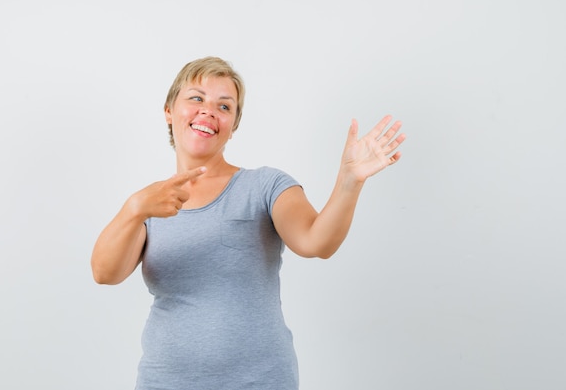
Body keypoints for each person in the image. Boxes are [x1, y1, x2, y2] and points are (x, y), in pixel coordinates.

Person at [91, 56, 405, 389]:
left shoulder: (265, 186)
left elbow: (316, 242)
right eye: (196, 98)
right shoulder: (151, 202)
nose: (208, 111)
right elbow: (105, 273)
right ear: (169, 110)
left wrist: (349, 181)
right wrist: (133, 208)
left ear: (233, 125)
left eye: (224, 107)